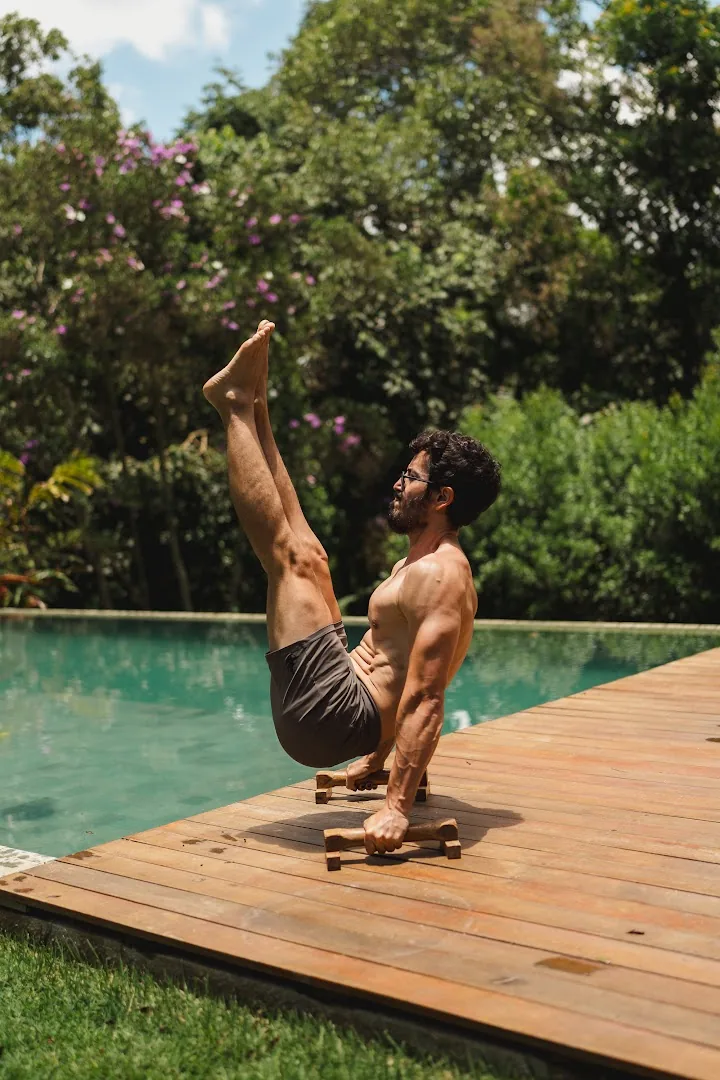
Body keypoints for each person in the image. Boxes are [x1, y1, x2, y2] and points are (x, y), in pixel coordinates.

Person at [203, 320, 501, 856]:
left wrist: (396, 807)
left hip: (330, 717)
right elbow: (403, 669)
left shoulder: (441, 576)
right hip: (348, 707)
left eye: (411, 478)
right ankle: (255, 408)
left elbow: (428, 696)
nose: (398, 483)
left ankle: (233, 406)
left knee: (290, 559)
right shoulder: (421, 564)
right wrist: (376, 760)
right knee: (311, 554)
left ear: (442, 498)